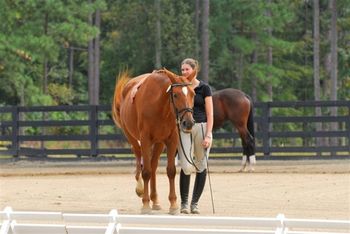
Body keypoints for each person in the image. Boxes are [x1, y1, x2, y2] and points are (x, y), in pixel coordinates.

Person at [177, 58, 213, 214]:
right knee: (185, 165)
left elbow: (210, 113)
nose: (184, 72)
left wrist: (208, 134)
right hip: (184, 129)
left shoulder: (204, 88)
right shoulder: (179, 87)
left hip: (202, 127)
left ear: (194, 70)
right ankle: (184, 203)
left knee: (201, 165)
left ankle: (194, 203)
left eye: (187, 69)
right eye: (182, 69)